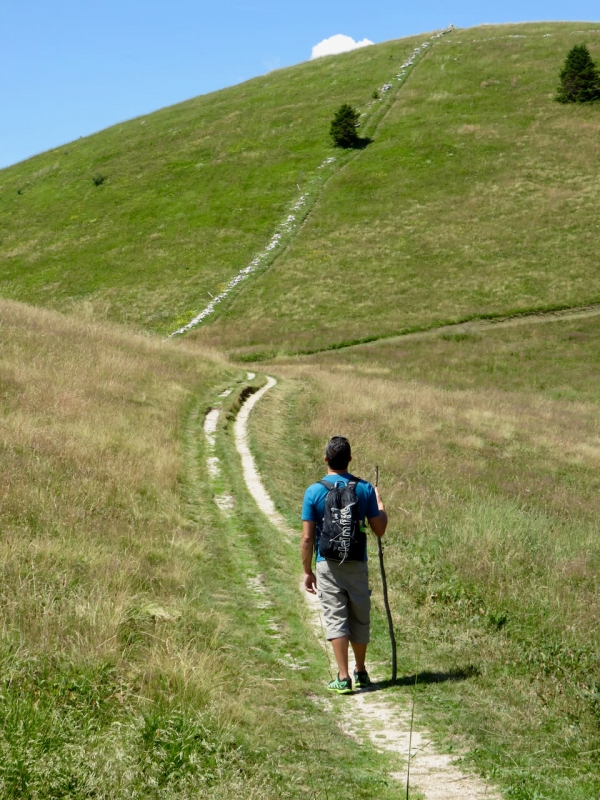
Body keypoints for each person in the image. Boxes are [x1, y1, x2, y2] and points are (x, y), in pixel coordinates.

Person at [301, 435, 388, 694]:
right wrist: (380, 504)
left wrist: (307, 571)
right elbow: (379, 529)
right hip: (357, 562)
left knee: (335, 617)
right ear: (350, 459)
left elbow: (307, 538)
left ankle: (343, 677)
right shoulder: (364, 489)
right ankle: (361, 671)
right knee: (360, 617)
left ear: (325, 458)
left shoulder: (314, 491)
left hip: (327, 563)